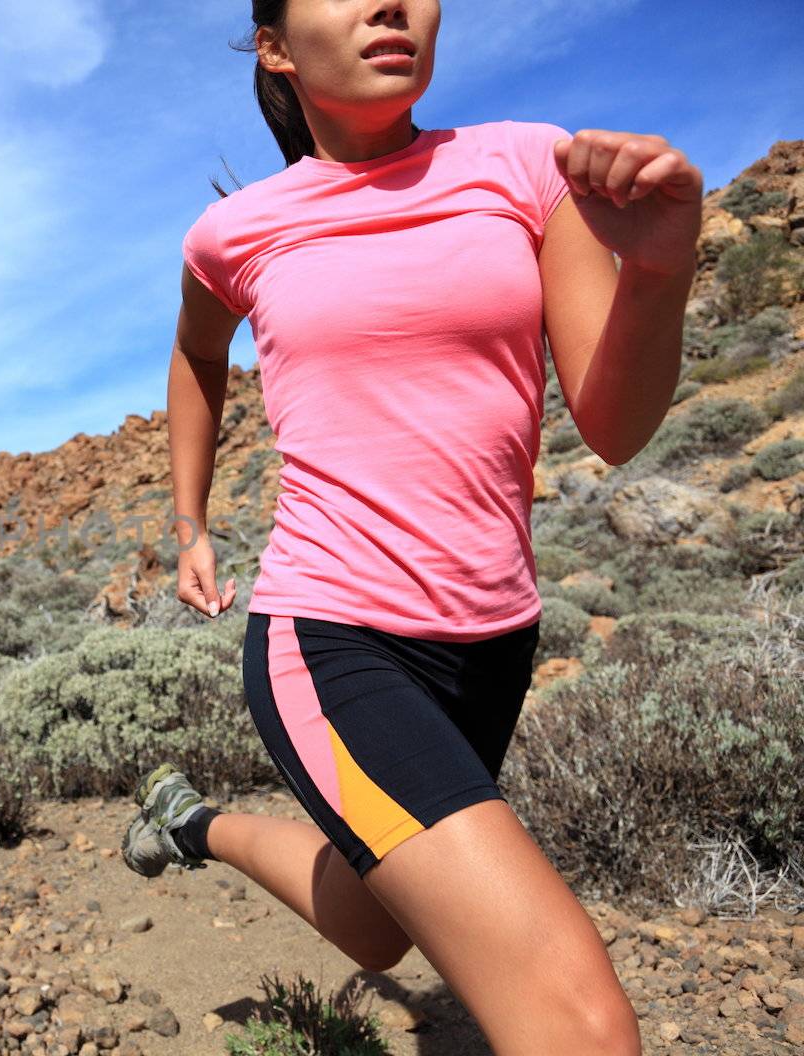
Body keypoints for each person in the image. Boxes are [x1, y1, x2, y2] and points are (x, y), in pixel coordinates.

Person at [119, 1, 701, 1052]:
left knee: (371, 930)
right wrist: (189, 518)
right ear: (275, 46)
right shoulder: (234, 233)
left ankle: (188, 821)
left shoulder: (527, 166)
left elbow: (612, 427)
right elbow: (199, 355)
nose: (393, 3)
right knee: (579, 1023)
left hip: (493, 637)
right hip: (331, 635)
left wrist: (656, 272)